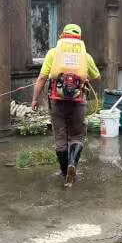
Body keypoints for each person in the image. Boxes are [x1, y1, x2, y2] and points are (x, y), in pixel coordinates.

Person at [31, 23, 101, 187]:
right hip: (78, 102)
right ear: (79, 38)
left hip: (57, 101)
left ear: (62, 36)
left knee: (60, 138)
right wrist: (84, 77)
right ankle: (72, 165)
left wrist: (35, 99)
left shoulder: (53, 53)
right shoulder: (85, 56)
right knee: (77, 136)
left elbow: (42, 78)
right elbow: (97, 77)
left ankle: (64, 172)